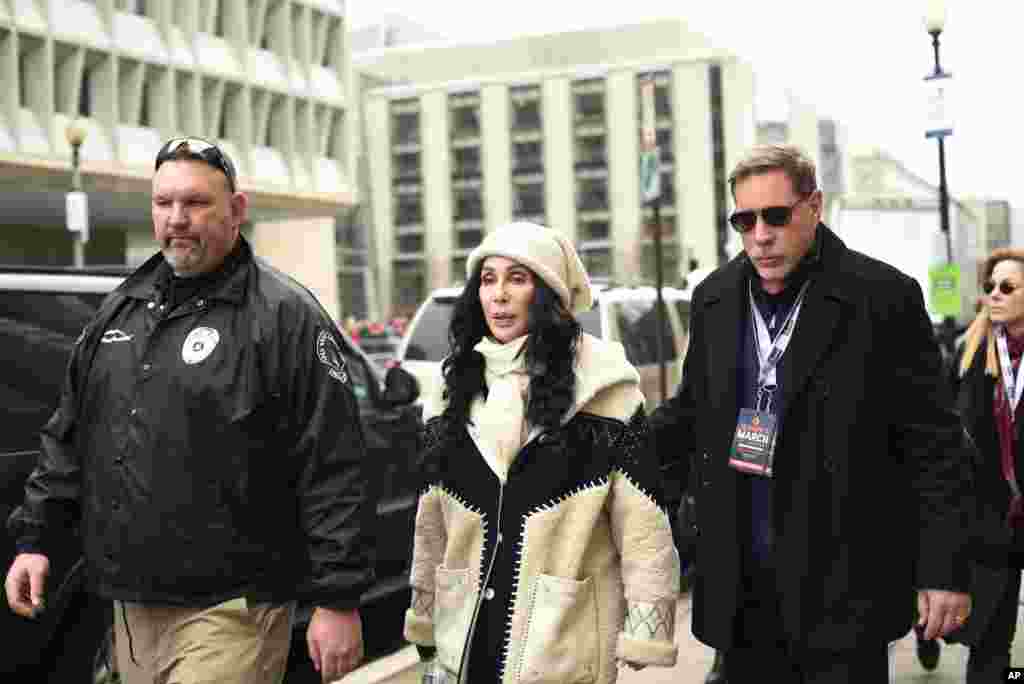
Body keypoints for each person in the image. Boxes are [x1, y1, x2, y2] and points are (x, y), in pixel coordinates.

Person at [4, 136, 373, 684]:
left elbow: (333, 462)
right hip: (129, 606)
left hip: (232, 611)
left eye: (197, 202)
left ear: (237, 210)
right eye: (163, 203)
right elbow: (70, 439)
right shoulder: (120, 312)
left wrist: (338, 599)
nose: (177, 218)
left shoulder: (284, 317)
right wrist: (37, 540)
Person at [648, 144, 974, 682]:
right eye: (744, 220)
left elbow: (935, 445)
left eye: (776, 215)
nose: (760, 234)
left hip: (844, 595)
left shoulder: (883, 298)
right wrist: (602, 447)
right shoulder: (714, 298)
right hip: (741, 592)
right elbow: (688, 417)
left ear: (814, 207)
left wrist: (943, 570)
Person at [404, 221, 680, 682]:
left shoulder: (605, 387)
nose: (499, 295)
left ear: (549, 293)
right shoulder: (453, 387)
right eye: (488, 280)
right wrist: (425, 611)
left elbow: (643, 520)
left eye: (518, 278)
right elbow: (430, 519)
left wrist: (647, 622)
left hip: (560, 645)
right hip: (463, 641)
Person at [943, 247, 1024, 682]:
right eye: (990, 286)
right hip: (989, 516)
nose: (994, 294)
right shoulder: (969, 351)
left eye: (1007, 287)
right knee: (991, 640)